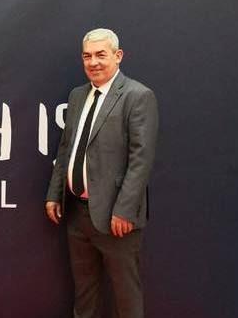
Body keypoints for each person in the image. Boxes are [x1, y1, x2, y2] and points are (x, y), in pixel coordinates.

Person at [45, 28, 158, 318]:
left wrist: (124, 210)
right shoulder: (77, 96)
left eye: (100, 55)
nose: (93, 62)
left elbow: (141, 159)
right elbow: (66, 148)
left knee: (125, 296)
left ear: (118, 56)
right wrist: (55, 194)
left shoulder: (137, 96)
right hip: (77, 214)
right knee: (85, 295)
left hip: (116, 218)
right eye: (87, 56)